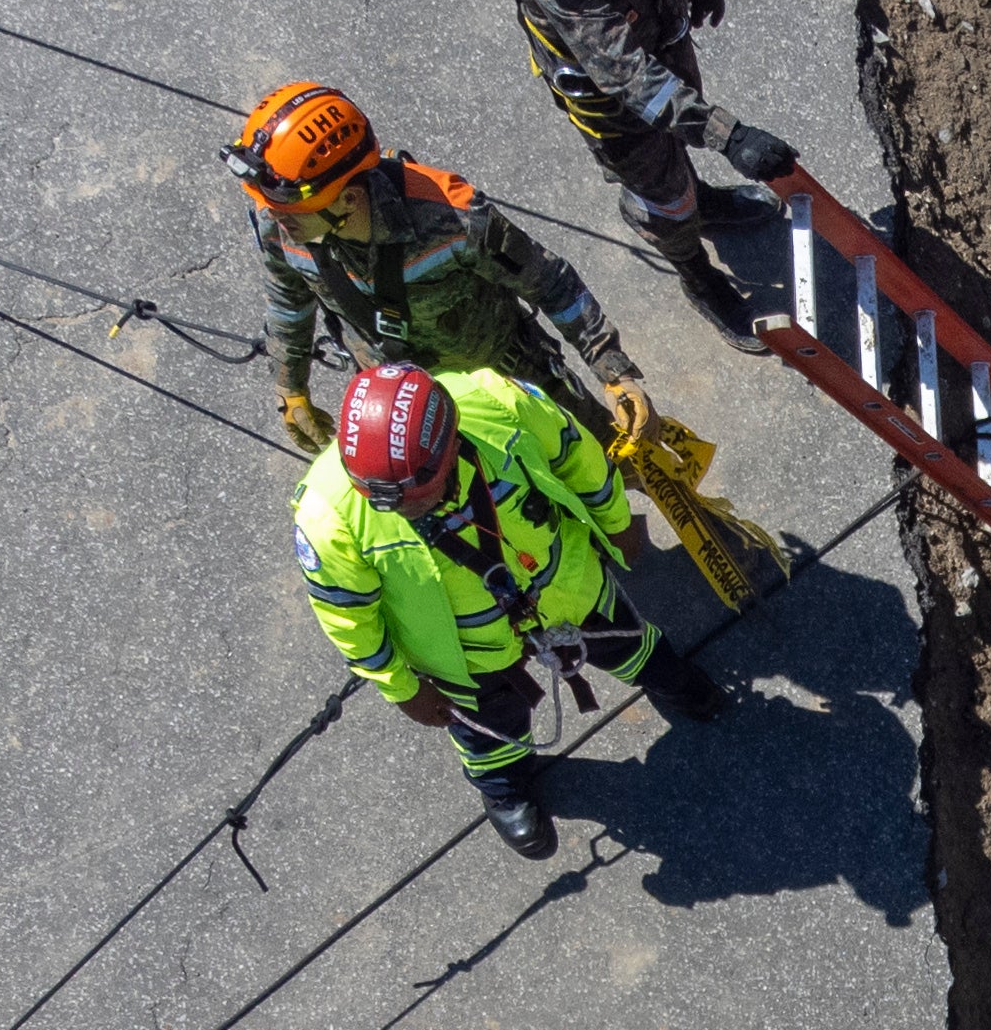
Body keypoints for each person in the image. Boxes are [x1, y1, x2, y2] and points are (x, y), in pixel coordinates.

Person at [291, 359, 728, 859]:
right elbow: (348, 617)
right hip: (465, 653)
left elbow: (574, 453)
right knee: (489, 724)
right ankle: (503, 786)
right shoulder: (327, 518)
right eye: (379, 497)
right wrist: (402, 689)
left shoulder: (498, 402)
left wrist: (617, 521)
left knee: (624, 639)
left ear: (451, 442)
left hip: (566, 586)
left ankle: (665, 675)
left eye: (411, 495)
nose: (394, 508)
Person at [478, 0, 802, 350]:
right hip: (618, 102)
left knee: (680, 159)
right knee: (663, 195)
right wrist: (729, 136)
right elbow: (626, 76)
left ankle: (699, 199)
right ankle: (697, 274)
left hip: (658, 33)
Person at [224, 80, 657, 457]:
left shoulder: (454, 221)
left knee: (602, 459)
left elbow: (552, 284)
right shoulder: (281, 221)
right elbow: (288, 303)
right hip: (412, 410)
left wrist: (612, 372)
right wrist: (291, 388)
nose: (274, 218)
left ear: (348, 199)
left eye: (290, 210)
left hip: (515, 382)